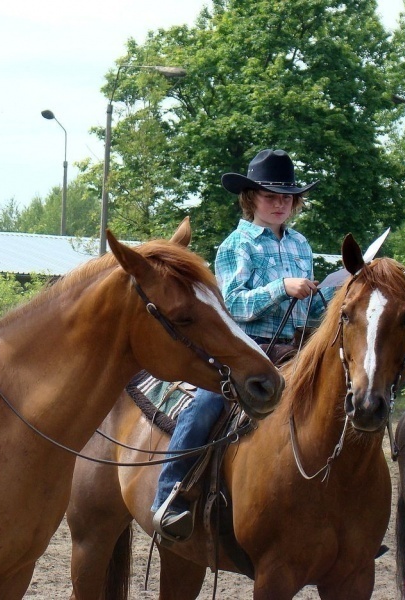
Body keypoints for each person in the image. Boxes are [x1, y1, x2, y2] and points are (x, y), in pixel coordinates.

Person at [152, 148, 335, 541]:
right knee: (206, 405)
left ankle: (340, 511)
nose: (279, 204)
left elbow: (308, 310)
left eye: (287, 197)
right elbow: (232, 304)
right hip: (243, 349)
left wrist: (329, 298)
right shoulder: (237, 244)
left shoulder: (301, 244)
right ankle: (169, 496)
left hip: (296, 348)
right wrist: (281, 288)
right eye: (270, 196)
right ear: (251, 198)